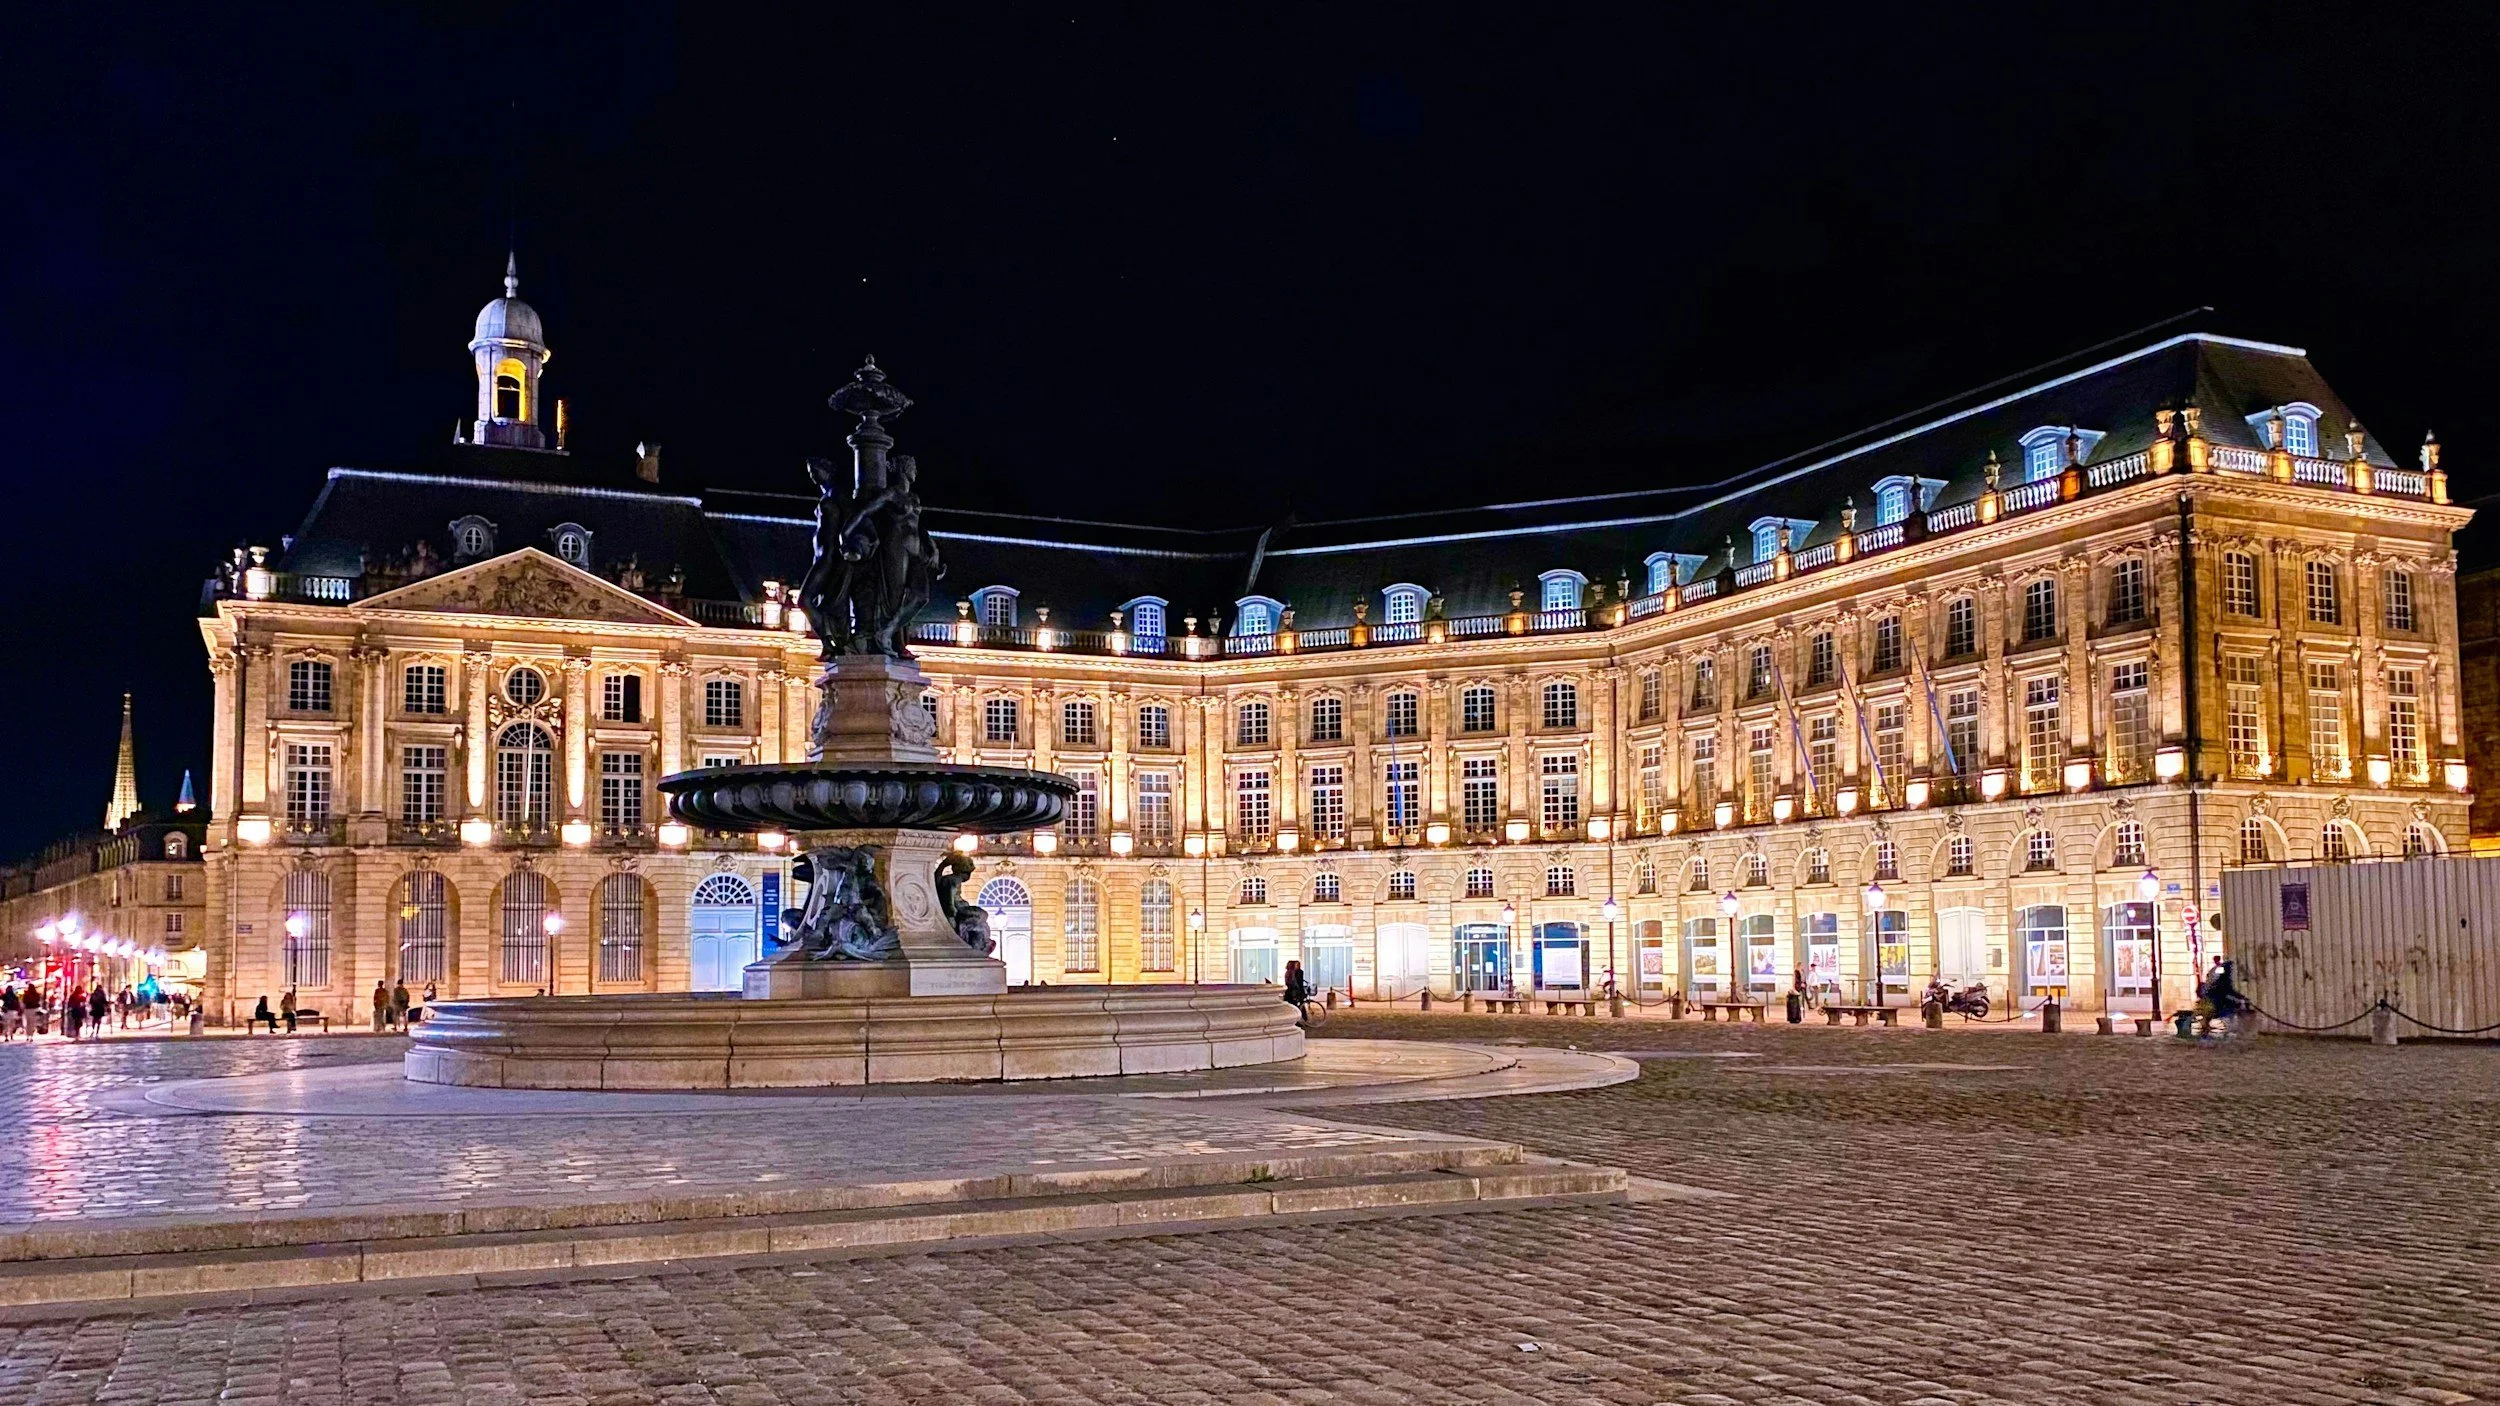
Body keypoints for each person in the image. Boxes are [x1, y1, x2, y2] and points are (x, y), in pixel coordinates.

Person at [1282, 958, 1311, 1027]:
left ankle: (1299, 1020)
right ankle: (1297, 1021)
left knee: (1295, 1006)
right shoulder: (1291, 973)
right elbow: (1293, 983)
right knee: (1295, 1006)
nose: (1297, 966)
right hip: (1292, 993)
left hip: (1290, 992)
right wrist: (1298, 989)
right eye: (1296, 965)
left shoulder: (1289, 972)